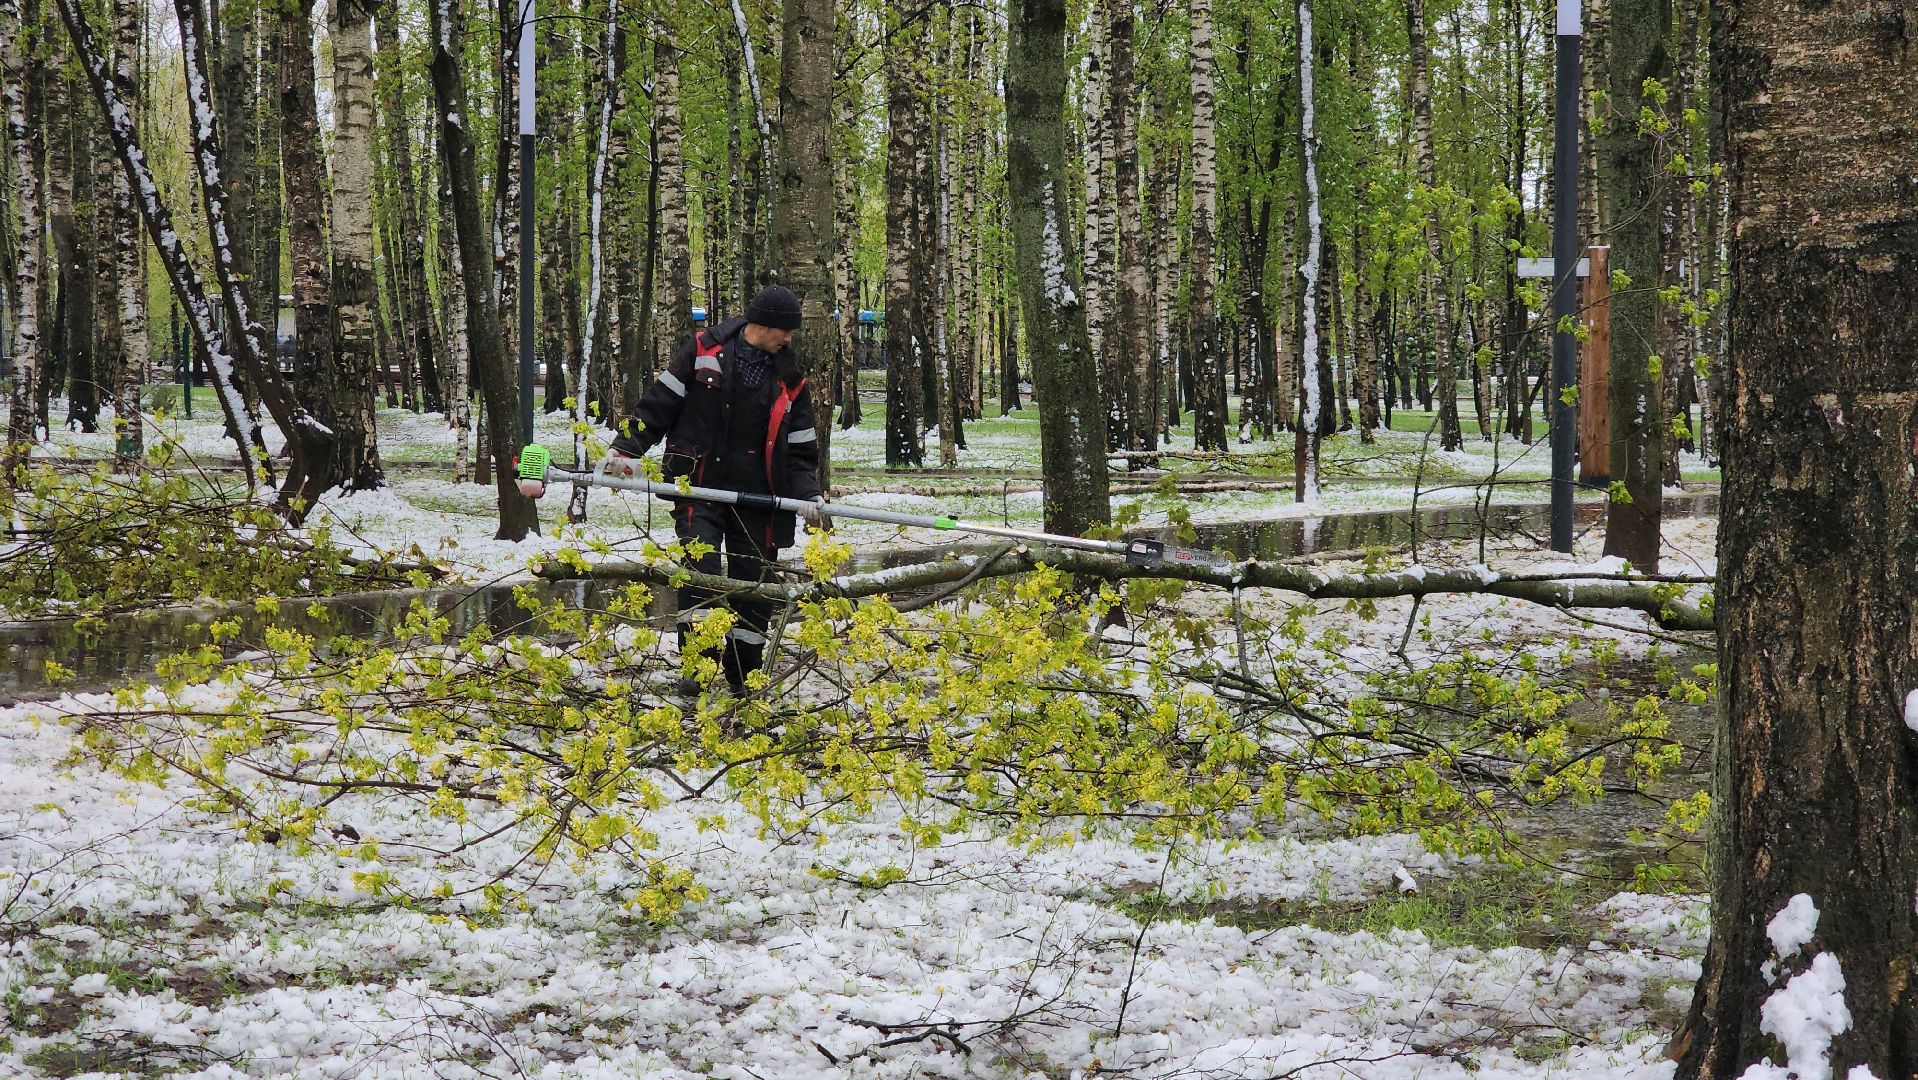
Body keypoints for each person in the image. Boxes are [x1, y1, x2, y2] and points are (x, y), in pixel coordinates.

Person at [604, 284, 826, 695]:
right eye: (785, 330)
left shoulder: (791, 380)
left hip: (763, 498)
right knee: (700, 574)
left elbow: (800, 451)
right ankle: (699, 669)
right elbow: (658, 404)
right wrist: (626, 448)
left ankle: (745, 675)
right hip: (698, 486)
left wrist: (809, 495)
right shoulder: (703, 351)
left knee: (753, 585)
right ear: (763, 324)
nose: (789, 339)